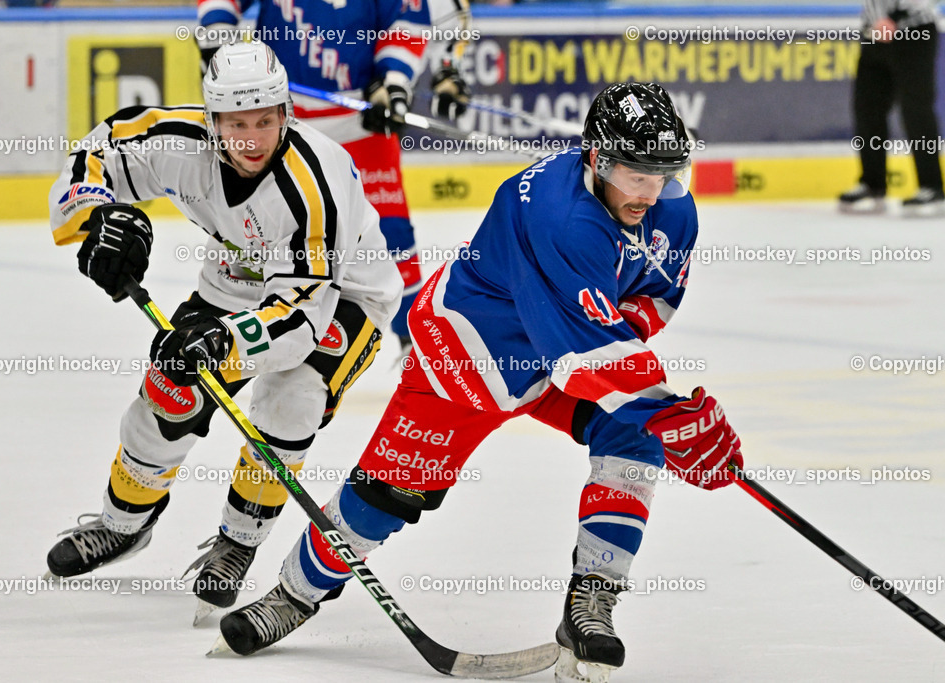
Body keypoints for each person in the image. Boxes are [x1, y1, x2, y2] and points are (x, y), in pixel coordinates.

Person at [210, 82, 744, 683]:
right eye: (635, 175)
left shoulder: (673, 210)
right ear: (596, 159)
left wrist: (658, 413)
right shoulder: (560, 216)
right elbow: (586, 351)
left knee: (635, 435)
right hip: (469, 357)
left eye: (664, 175)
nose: (649, 193)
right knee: (385, 497)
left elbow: (651, 302)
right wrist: (667, 412)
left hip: (562, 356)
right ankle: (293, 595)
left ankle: (591, 601)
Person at [44, 42, 402, 623]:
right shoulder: (180, 143)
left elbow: (303, 315)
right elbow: (98, 150)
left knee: (291, 401)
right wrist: (96, 216)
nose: (252, 139)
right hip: (237, 278)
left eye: (265, 121)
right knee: (170, 390)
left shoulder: (317, 184)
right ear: (213, 122)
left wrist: (223, 343)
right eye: (236, 124)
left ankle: (239, 540)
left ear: (286, 113)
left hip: (342, 297)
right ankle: (124, 523)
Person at [196, 0, 473, 353]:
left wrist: (391, 82)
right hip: (283, 119)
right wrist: (218, 35)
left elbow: (405, 23)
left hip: (358, 118)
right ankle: (244, 331)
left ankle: (415, 345)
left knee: (391, 232)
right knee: (265, 224)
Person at [839, 0, 944, 216]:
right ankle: (873, 184)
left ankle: (932, 187)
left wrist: (894, 18)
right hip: (874, 33)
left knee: (916, 110)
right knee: (867, 108)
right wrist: (877, 21)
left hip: (914, 30)